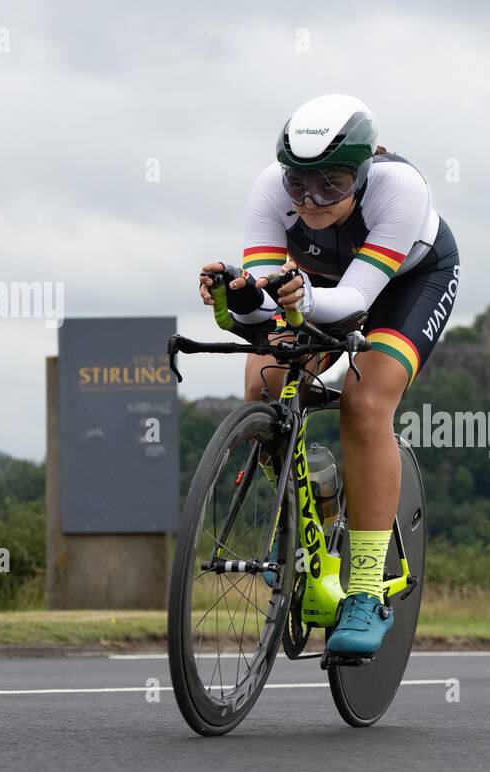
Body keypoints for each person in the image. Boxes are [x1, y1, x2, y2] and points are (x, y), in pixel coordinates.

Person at [199, 93, 459, 656]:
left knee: (363, 405)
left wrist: (298, 297)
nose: (312, 200)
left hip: (405, 285)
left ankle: (365, 591)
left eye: (334, 184)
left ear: (363, 174)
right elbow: (266, 315)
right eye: (300, 185)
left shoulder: (399, 190)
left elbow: (354, 302)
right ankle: (307, 510)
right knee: (266, 382)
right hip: (318, 284)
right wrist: (236, 298)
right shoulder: (270, 187)